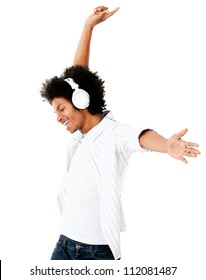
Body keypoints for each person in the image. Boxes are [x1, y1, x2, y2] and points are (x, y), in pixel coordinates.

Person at [40, 6, 200, 260]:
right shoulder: (82, 136)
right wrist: (88, 27)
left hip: (95, 252)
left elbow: (139, 137)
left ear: (81, 101)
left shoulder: (112, 133)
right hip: (64, 243)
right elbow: (77, 78)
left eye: (60, 108)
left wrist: (166, 146)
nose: (58, 117)